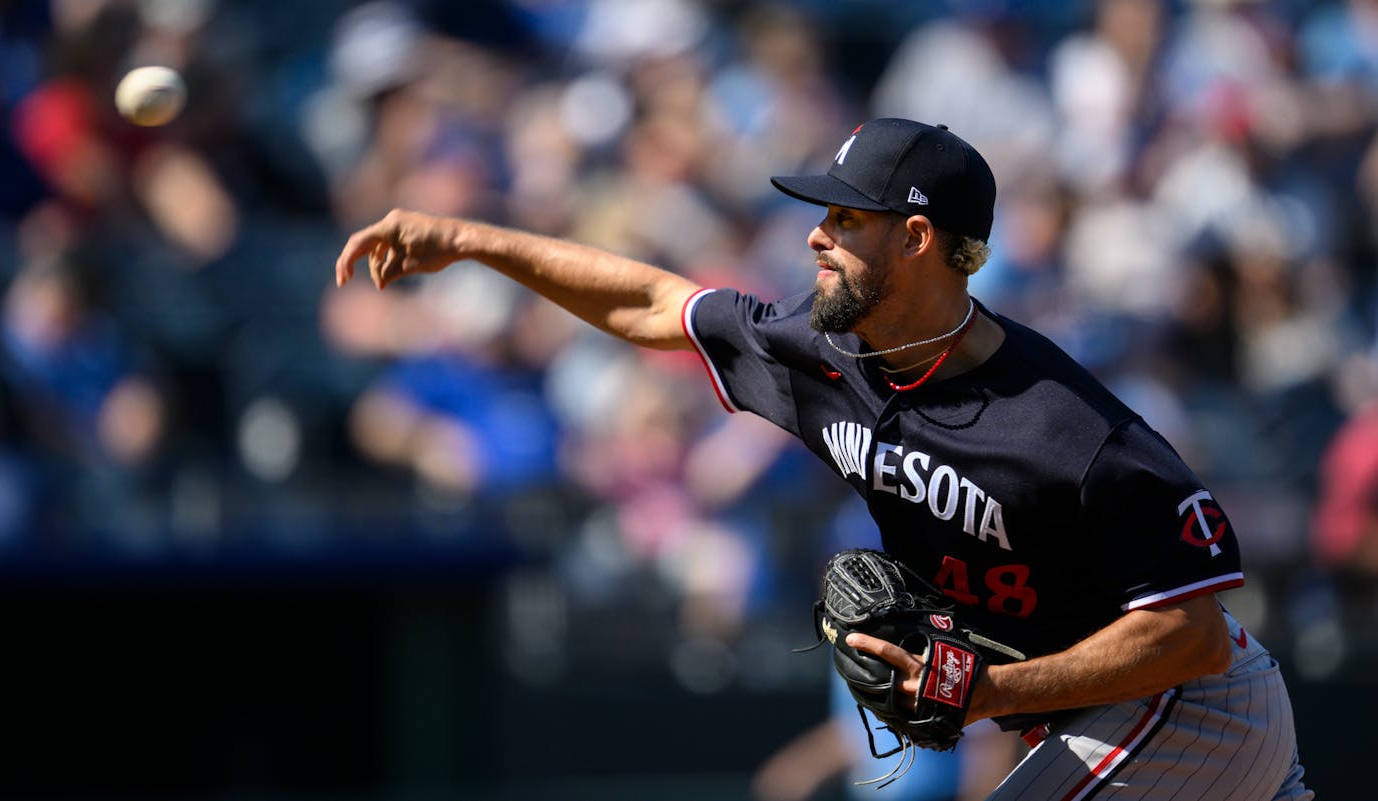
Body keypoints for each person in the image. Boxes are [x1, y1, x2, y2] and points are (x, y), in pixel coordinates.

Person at [334, 118, 1312, 800]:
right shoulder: (821, 347)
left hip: (1187, 708)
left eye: (845, 220)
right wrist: (468, 240)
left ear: (917, 240)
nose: (814, 233)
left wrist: (990, 694)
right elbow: (650, 304)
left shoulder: (1070, 430)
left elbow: (1189, 633)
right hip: (1104, 719)